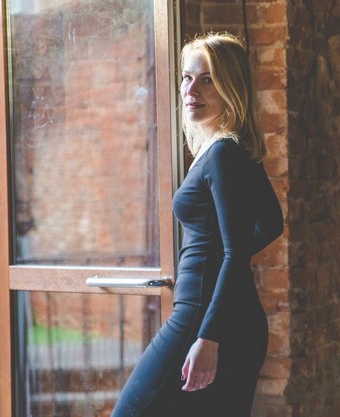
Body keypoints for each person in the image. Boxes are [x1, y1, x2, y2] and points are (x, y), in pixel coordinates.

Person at [111, 32, 283, 417]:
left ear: (231, 88)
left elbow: (238, 249)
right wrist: (219, 257)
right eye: (187, 78)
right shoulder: (225, 149)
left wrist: (209, 336)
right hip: (215, 316)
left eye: (207, 79)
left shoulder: (223, 153)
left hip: (203, 322)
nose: (192, 89)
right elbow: (271, 223)